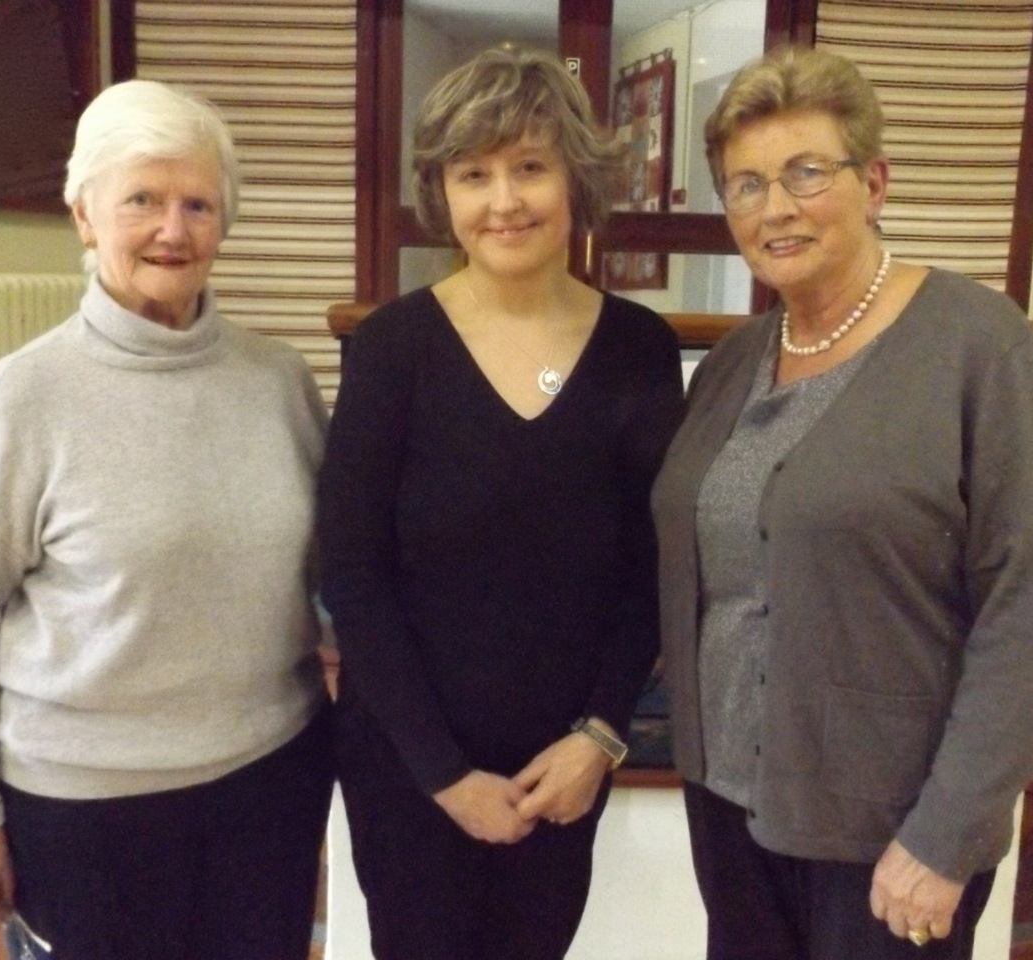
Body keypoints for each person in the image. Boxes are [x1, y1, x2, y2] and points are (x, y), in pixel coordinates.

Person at [651, 46, 1033, 960]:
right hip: (728, 808)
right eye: (745, 185)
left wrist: (947, 834)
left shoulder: (979, 349)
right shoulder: (733, 362)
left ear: (873, 180)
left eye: (805, 173)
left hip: (891, 834)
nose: (774, 208)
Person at [0, 79, 334, 960]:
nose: (173, 231)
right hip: (85, 808)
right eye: (142, 200)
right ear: (84, 215)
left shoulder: (278, 381)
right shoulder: (29, 393)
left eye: (198, 204)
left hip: (270, 784)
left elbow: (338, 568)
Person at [318, 45, 684, 960]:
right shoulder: (391, 348)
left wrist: (599, 738)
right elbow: (351, 577)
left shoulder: (640, 349)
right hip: (409, 762)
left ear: (576, 179)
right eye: (472, 173)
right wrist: (443, 776)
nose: (504, 200)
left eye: (530, 166)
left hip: (561, 763)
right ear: (440, 193)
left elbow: (652, 568)